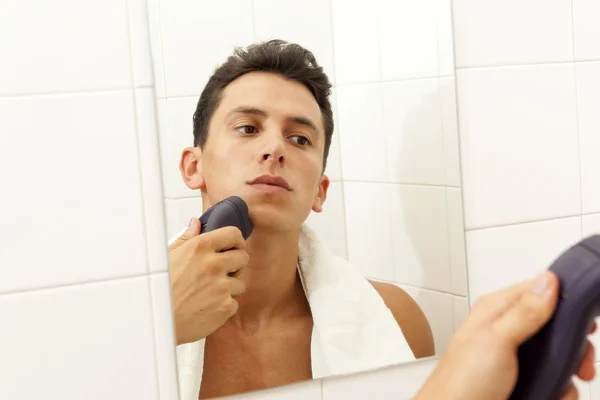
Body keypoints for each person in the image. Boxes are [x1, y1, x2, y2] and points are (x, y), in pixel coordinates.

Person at [168, 40, 595, 399]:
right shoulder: (141, 321)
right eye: (247, 128)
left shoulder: (398, 320)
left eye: (299, 138)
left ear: (320, 190)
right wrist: (164, 321)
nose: (275, 148)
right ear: (193, 167)